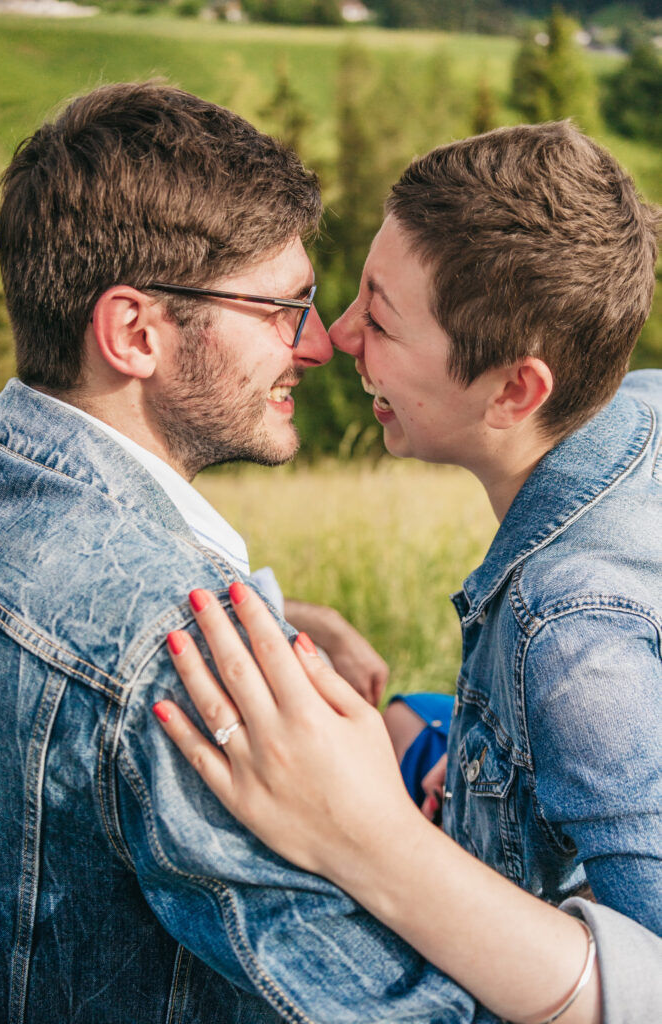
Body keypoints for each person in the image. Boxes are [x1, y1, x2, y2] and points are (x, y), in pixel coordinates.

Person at [0, 82, 482, 1024]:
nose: (318, 345)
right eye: (279, 309)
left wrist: (276, 618)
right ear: (135, 333)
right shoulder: (187, 655)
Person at [154, 122, 662, 1024]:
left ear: (515, 391)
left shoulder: (574, 640)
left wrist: (373, 840)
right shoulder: (634, 401)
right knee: (403, 724)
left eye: (380, 319)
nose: (337, 335)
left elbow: (643, 983)